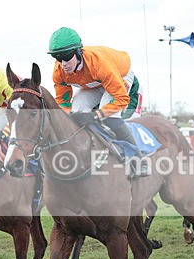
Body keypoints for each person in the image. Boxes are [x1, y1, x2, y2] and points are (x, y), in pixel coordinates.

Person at [48, 26, 150, 178]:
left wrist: (96, 115)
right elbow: (63, 103)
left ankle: (138, 159)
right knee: (77, 112)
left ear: (78, 52)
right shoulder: (59, 72)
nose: (63, 64)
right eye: (57, 58)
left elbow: (121, 99)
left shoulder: (100, 64)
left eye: (67, 56)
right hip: (94, 82)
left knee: (109, 117)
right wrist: (71, 115)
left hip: (120, 74)